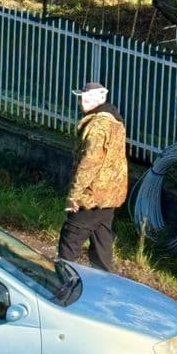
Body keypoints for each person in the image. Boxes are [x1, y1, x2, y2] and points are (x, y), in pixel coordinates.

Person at [58, 81, 128, 273]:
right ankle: (105, 285)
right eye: (81, 97)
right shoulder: (115, 121)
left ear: (98, 99)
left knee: (70, 238)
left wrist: (74, 194)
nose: (81, 101)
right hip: (110, 195)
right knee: (101, 242)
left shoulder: (97, 125)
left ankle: (62, 280)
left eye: (85, 97)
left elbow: (89, 162)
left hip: (93, 195)